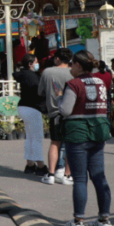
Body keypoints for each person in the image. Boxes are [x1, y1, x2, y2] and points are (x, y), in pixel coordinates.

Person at [59, 50, 113, 226]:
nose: (70, 67)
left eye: (72, 64)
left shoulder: (73, 84)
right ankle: (104, 220)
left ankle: (78, 220)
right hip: (99, 132)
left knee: (80, 178)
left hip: (78, 133)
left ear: (78, 65)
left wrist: (59, 99)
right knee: (99, 176)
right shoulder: (100, 81)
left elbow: (65, 110)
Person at [38, 48, 74, 186]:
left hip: (54, 112)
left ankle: (51, 174)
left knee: (55, 143)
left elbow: (40, 91)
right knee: (70, 144)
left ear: (57, 59)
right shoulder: (73, 72)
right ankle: (67, 175)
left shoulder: (47, 72)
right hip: (71, 113)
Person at [14, 54, 47, 176]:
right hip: (32, 108)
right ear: (30, 63)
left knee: (30, 137)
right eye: (36, 61)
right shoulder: (31, 76)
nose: (37, 64)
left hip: (23, 106)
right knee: (37, 138)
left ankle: (30, 165)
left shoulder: (23, 74)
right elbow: (38, 92)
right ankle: (40, 166)